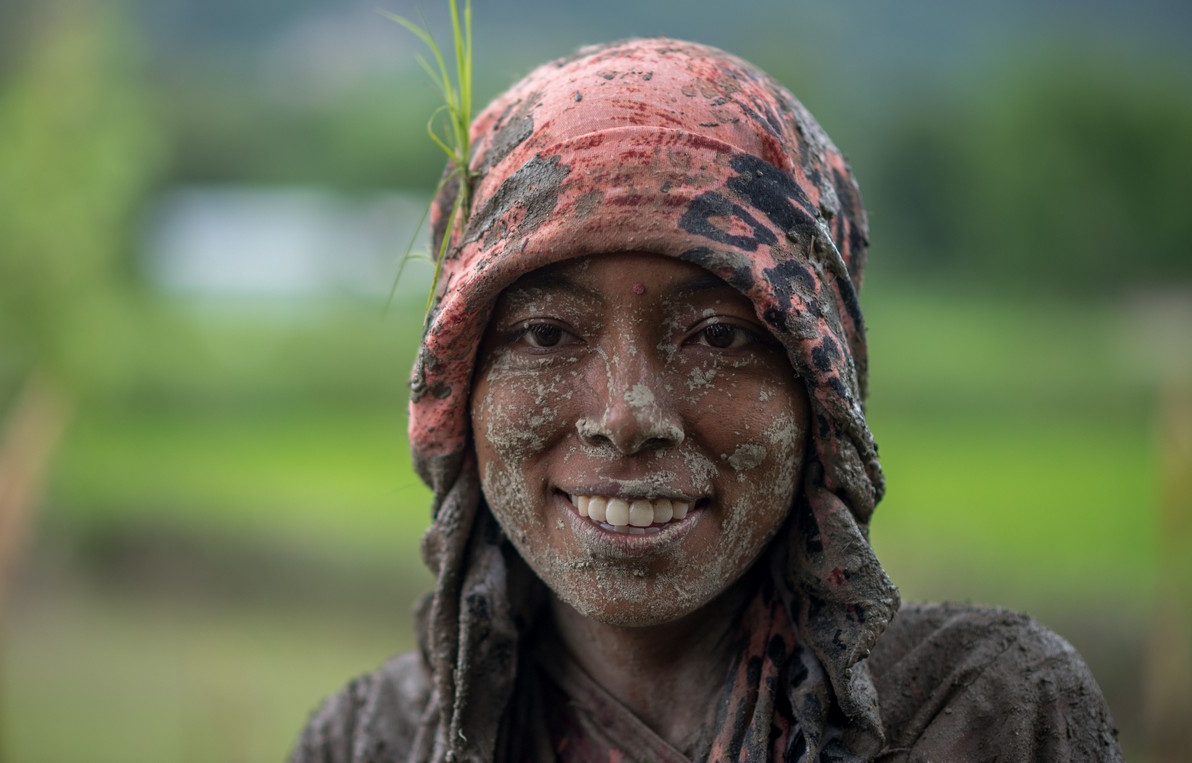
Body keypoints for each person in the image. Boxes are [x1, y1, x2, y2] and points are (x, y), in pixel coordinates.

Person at [291, 38, 1123, 762]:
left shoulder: (982, 717)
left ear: (822, 394)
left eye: (719, 337)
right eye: (545, 335)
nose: (625, 417)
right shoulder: (368, 741)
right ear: (456, 386)